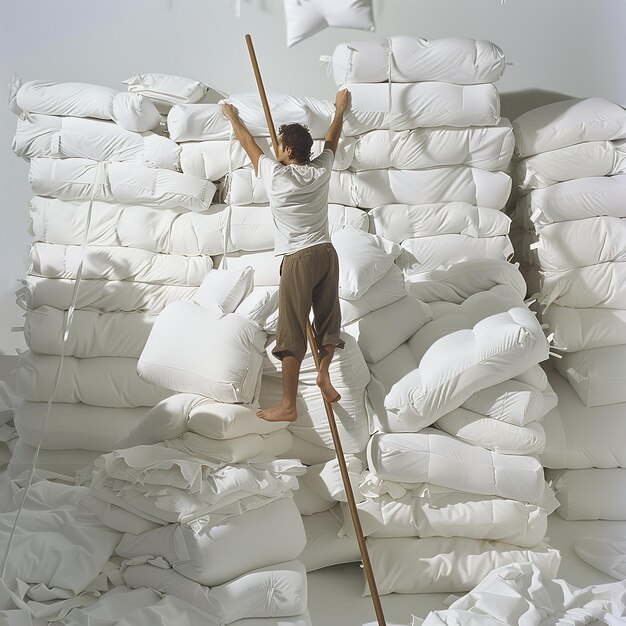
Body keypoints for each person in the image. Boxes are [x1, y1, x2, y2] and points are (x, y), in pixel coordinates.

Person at [222, 89, 350, 422]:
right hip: (327, 252)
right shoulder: (320, 170)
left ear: (288, 150)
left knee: (291, 331)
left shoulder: (275, 176)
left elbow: (249, 144)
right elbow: (332, 142)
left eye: (279, 144)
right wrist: (339, 111)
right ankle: (324, 371)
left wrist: (232, 117)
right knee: (328, 320)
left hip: (298, 259)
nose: (274, 148)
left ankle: (289, 405)